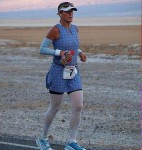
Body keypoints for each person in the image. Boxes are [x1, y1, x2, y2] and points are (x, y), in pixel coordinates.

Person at [36, 2, 87, 150]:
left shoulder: (75, 28)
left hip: (73, 71)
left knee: (78, 106)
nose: (70, 13)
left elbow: (72, 46)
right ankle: (43, 138)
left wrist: (80, 53)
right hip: (58, 71)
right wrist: (59, 53)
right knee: (55, 107)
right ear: (60, 14)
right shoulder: (55, 30)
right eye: (67, 11)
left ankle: (71, 142)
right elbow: (42, 49)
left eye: (72, 11)